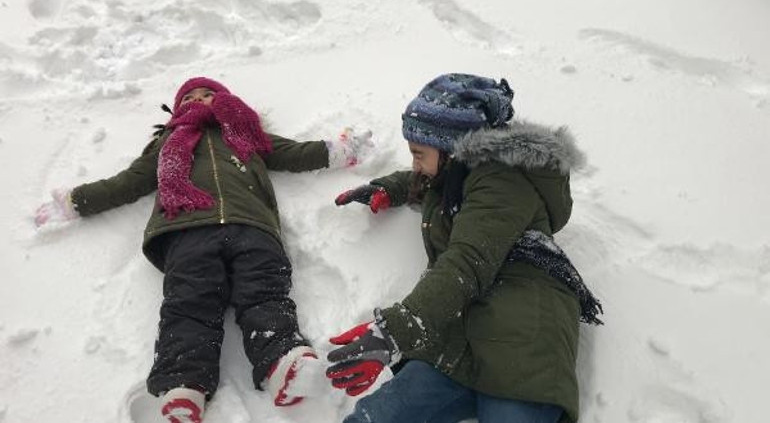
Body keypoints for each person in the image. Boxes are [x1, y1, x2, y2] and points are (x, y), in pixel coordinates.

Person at [34, 77, 373, 423]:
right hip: (188, 230)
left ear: (225, 100)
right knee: (189, 303)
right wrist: (77, 202)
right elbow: (128, 181)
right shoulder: (167, 143)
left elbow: (293, 153)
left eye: (207, 94)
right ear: (175, 112)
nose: (198, 99)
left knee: (265, 292)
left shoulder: (245, 132)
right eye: (189, 98)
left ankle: (283, 359)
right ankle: (185, 383)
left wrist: (338, 150)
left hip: (251, 225)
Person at [329, 73, 602, 423]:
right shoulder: (460, 175)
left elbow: (466, 263)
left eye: (418, 154)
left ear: (452, 149)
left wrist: (390, 333)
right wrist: (389, 188)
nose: (415, 164)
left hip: (521, 339)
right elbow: (428, 179)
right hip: (460, 341)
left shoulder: (503, 181)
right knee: (376, 417)